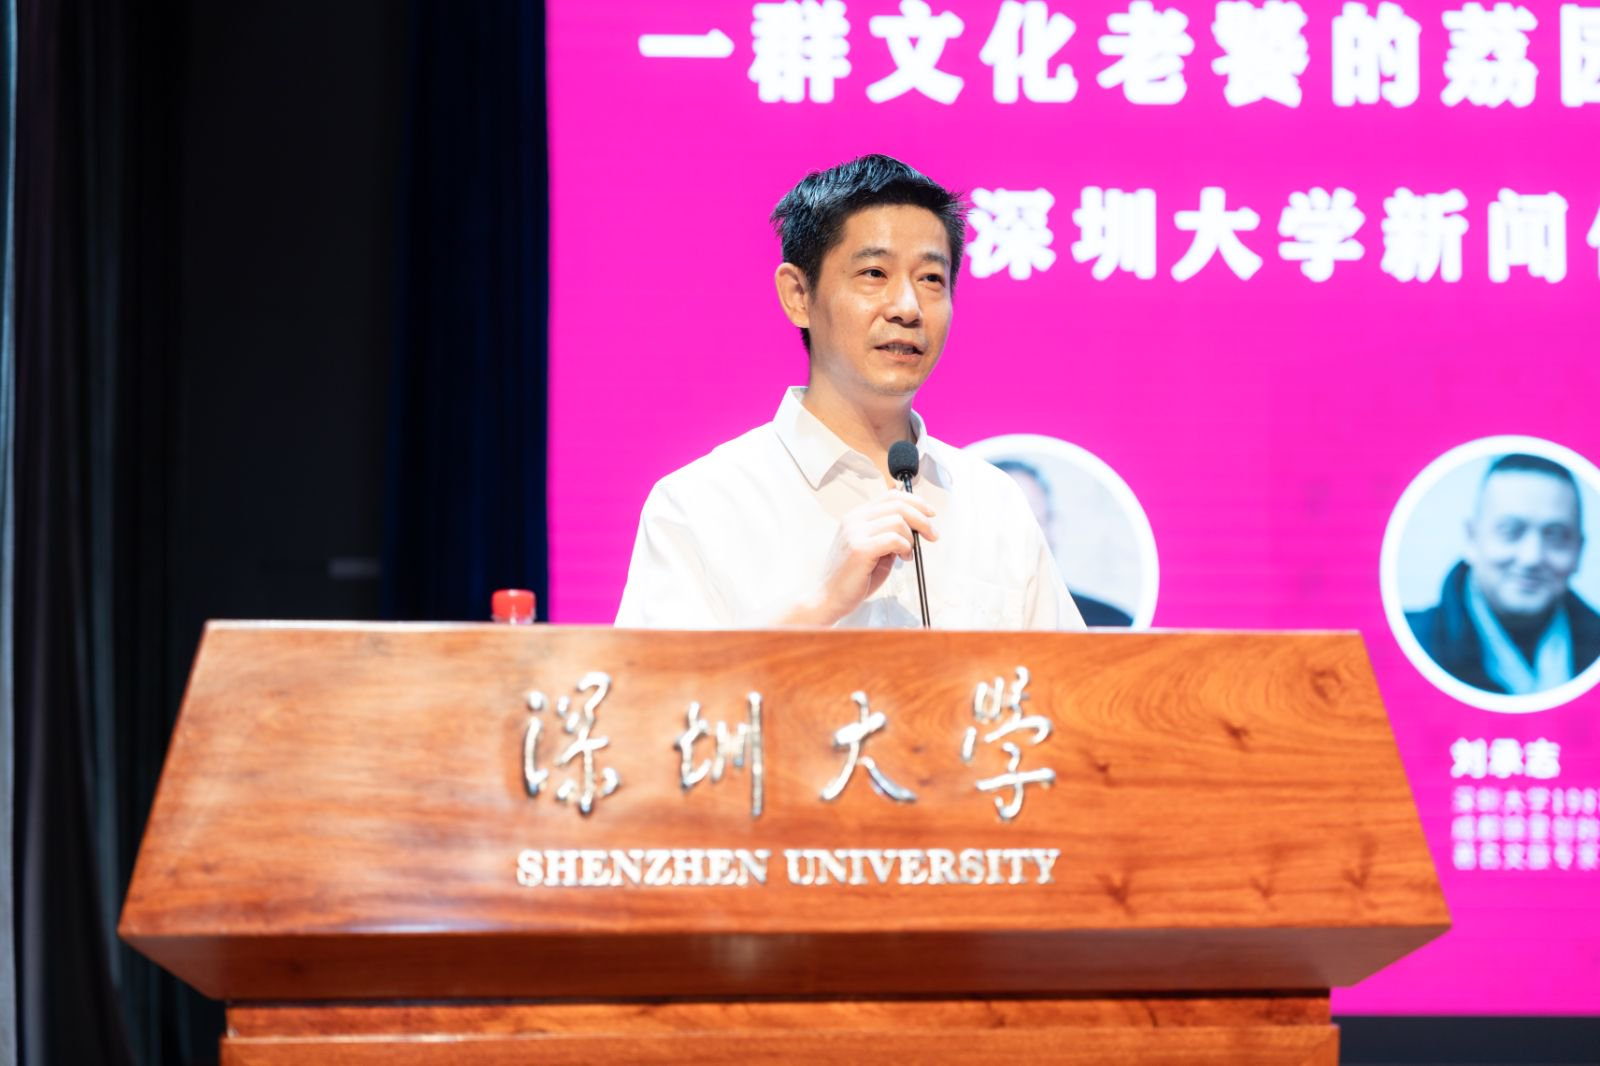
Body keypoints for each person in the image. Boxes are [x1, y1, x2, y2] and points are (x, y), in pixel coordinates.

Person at [615, 155, 1084, 630]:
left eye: (930, 279)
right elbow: (657, 680)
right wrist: (820, 603)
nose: (907, 308)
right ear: (798, 295)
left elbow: (1073, 676)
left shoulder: (994, 504)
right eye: (874, 274)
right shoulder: (699, 504)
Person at [1406, 453, 1600, 695]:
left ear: (1579, 551)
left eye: (1556, 536)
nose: (1531, 557)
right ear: (1471, 538)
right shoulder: (1405, 646)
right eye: (1511, 531)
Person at [991, 458, 1133, 627]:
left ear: (1054, 527)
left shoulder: (1112, 625)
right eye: (1006, 521)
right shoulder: (962, 619)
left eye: (1034, 521)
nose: (1020, 536)